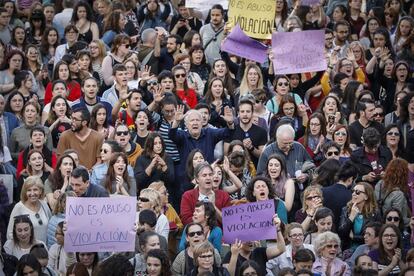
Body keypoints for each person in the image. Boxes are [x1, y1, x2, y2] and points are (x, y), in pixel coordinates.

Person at [7, 176, 52, 243]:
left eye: (35, 190)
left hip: (43, 251)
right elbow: (10, 234)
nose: (32, 193)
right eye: (29, 190)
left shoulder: (44, 204)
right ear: (25, 192)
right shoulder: (19, 207)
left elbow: (51, 226)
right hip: (25, 252)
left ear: (40, 191)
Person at [224, 98, 267, 167]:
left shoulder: (261, 131)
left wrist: (251, 148)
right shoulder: (231, 130)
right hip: (235, 170)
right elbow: (226, 154)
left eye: (248, 111)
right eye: (242, 111)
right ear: (238, 113)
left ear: (252, 113)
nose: (245, 114)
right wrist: (236, 150)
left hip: (256, 172)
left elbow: (263, 155)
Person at [338, 182, 381, 250]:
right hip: (347, 249)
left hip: (367, 249)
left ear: (366, 196)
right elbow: (342, 233)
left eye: (357, 192)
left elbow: (376, 236)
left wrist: (354, 237)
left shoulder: (375, 213)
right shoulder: (346, 210)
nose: (353, 194)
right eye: (353, 191)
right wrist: (351, 217)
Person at [322, 161, 358, 227]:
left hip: (324, 230)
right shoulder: (351, 196)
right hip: (342, 233)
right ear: (350, 179)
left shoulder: (323, 191)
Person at [375, 158, 410, 224]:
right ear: (403, 174)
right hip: (394, 229)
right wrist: (410, 220)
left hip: (379, 224)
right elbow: (397, 219)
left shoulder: (379, 183)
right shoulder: (399, 194)